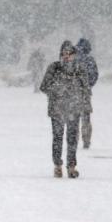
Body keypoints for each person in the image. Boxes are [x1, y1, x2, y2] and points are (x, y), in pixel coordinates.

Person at [39, 41, 91, 178]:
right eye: (64, 53)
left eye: (70, 54)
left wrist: (86, 107)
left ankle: (71, 166)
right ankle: (57, 165)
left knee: (72, 139)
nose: (67, 56)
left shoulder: (80, 69)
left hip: (74, 109)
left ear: (74, 55)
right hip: (57, 109)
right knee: (57, 138)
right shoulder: (54, 68)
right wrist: (57, 91)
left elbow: (86, 90)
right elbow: (44, 86)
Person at [75, 38, 99, 148]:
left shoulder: (71, 59)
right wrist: (88, 85)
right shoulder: (89, 60)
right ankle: (86, 140)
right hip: (85, 92)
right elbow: (94, 75)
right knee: (86, 117)